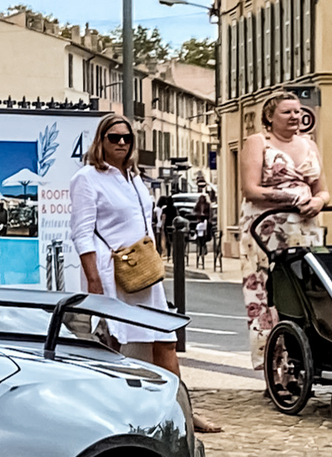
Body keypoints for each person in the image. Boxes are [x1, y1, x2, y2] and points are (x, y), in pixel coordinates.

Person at [73, 114, 221, 432]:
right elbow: (81, 233)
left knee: (163, 338)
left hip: (142, 270)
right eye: (114, 138)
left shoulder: (135, 178)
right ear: (101, 140)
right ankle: (108, 414)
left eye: (127, 138)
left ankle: (183, 413)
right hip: (111, 271)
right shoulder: (87, 178)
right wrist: (94, 282)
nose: (122, 143)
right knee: (114, 341)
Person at [236, 90, 325, 372]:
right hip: (267, 228)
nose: (295, 116)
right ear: (270, 117)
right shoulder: (258, 142)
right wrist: (289, 198)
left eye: (298, 111)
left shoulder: (310, 144)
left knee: (306, 292)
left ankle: (303, 363)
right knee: (268, 295)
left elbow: (323, 189)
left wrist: (318, 201)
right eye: (287, 112)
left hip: (307, 227)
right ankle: (274, 367)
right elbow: (250, 190)